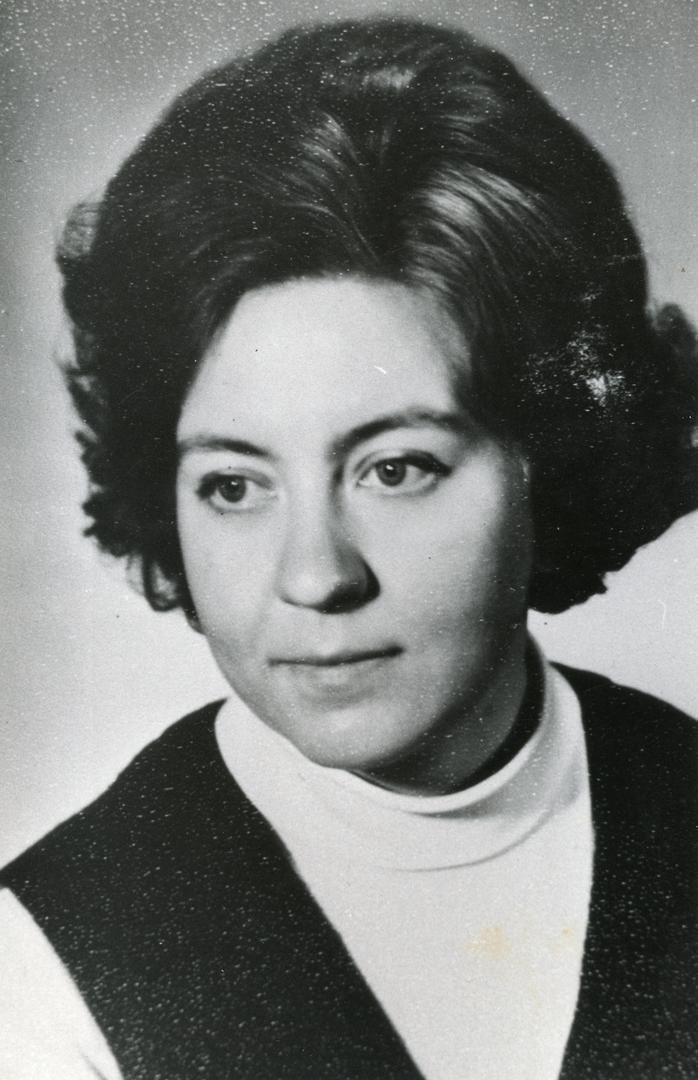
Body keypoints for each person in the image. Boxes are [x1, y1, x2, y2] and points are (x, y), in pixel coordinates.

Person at [1, 16, 697, 1080]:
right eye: (234, 486)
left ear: (548, 460)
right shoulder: (43, 963)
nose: (316, 576)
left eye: (395, 468)